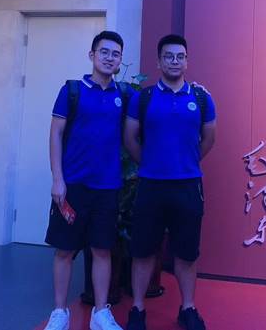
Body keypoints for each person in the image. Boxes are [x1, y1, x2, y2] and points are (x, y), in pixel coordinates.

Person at [124, 34, 216, 330]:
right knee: (143, 251)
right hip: (151, 186)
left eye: (180, 56)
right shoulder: (143, 98)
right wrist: (150, 164)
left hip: (188, 186)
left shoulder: (201, 98)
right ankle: (138, 309)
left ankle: (188, 308)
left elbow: (209, 138)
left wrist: (186, 162)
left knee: (187, 253)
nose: (174, 61)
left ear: (187, 61)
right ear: (159, 61)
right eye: (168, 56)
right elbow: (130, 138)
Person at [44, 30, 130, 330]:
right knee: (65, 250)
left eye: (115, 54)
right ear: (92, 55)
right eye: (104, 52)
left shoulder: (124, 95)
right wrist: (58, 179)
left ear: (120, 60)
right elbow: (55, 134)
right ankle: (60, 313)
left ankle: (100, 312)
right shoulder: (72, 91)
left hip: (108, 187)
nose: (109, 58)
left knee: (102, 250)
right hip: (73, 186)